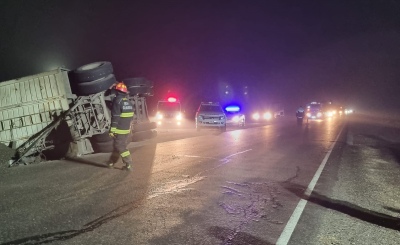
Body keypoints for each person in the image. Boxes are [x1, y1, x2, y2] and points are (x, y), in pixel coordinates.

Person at [107, 82, 134, 171]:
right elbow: (131, 116)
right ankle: (112, 161)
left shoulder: (117, 101)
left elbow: (115, 116)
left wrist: (112, 130)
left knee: (120, 146)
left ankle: (128, 163)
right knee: (118, 146)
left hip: (119, 129)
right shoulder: (128, 102)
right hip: (126, 129)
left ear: (117, 91)